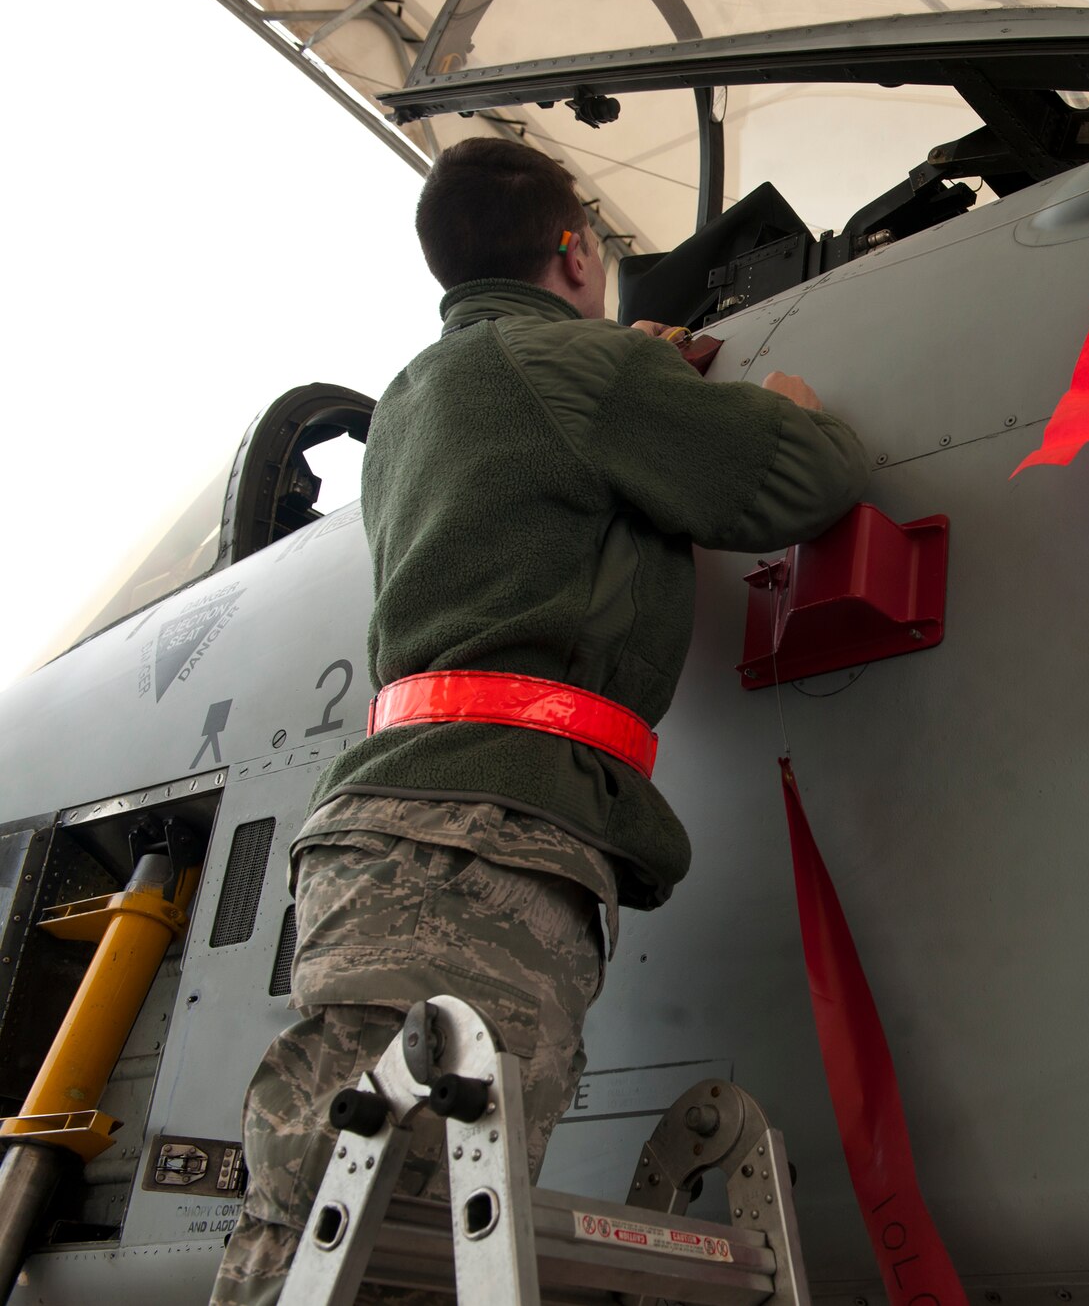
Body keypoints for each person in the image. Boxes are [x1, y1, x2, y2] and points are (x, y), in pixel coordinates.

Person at [211, 137, 869, 1305]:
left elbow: (540, 477)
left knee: (342, 1215)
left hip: (405, 828)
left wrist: (625, 371)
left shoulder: (422, 393)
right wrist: (785, 403)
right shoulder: (582, 372)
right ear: (575, 250)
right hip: (475, 841)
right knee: (385, 1238)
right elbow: (801, 479)